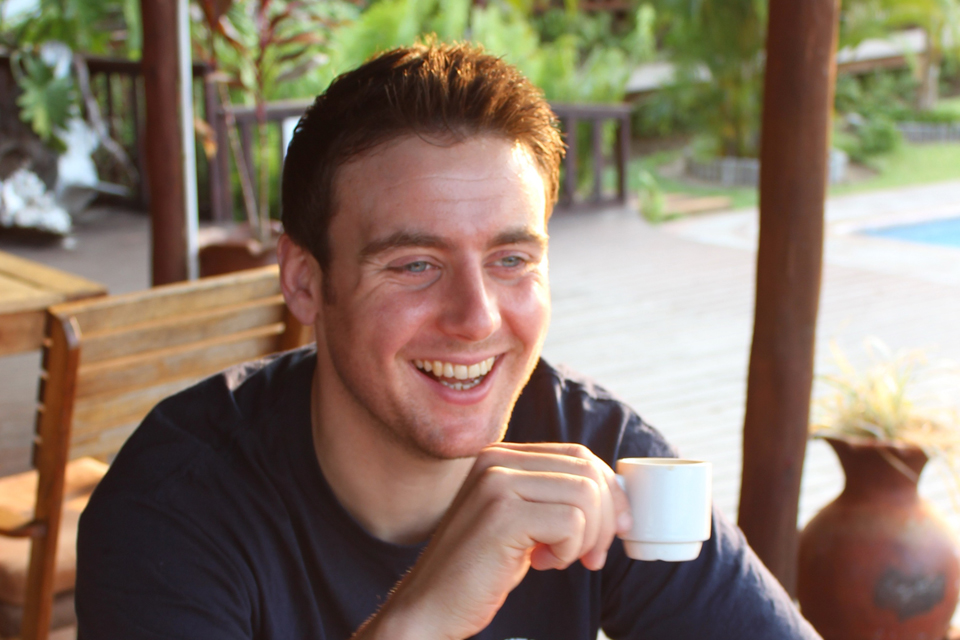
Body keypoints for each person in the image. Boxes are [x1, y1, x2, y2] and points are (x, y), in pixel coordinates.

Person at [76, 43, 821, 640]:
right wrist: (419, 622)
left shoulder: (598, 456)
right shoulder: (174, 507)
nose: (476, 317)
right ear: (304, 281)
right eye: (415, 265)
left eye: (512, 260)